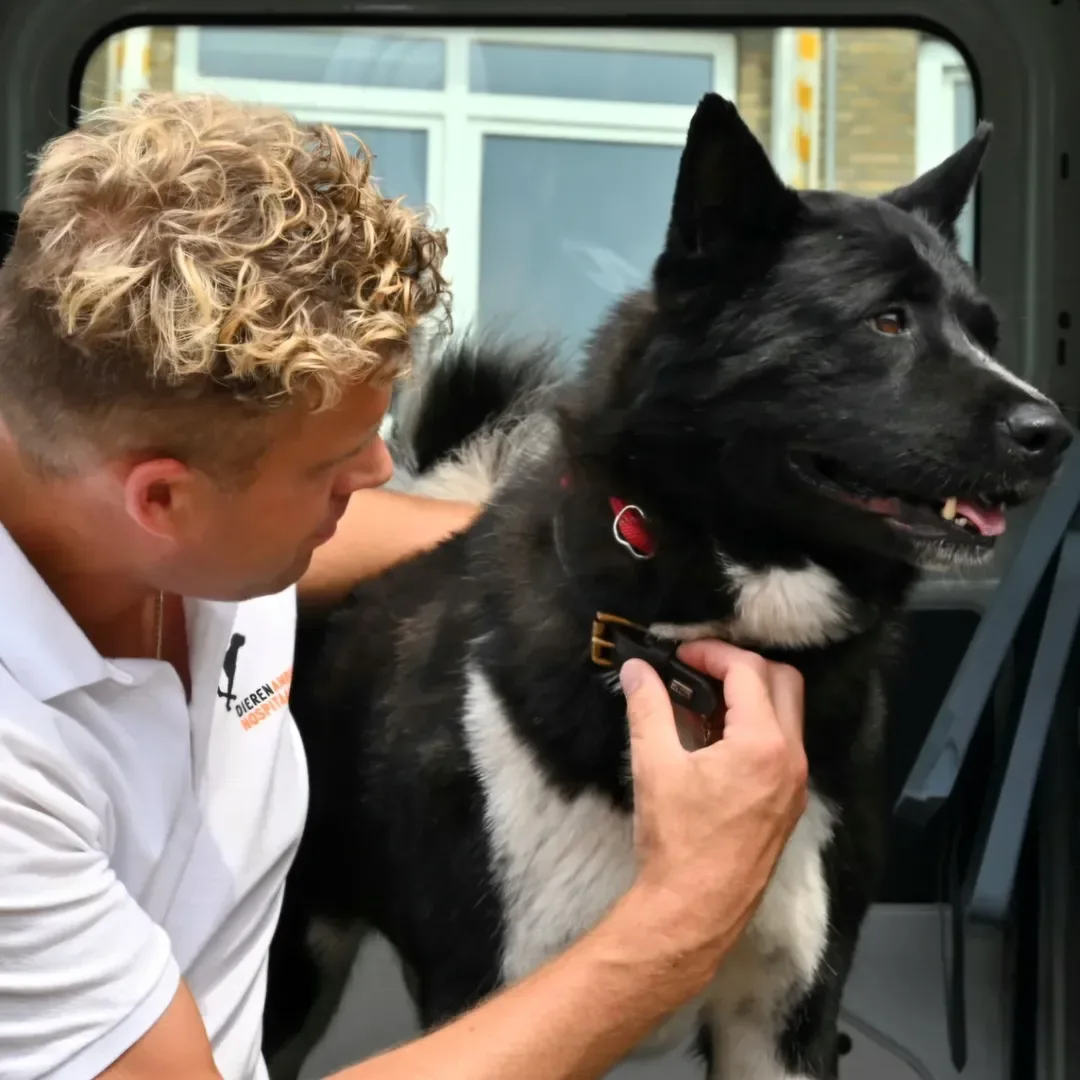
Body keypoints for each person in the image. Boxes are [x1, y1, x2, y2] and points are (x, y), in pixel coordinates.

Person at [0, 91, 808, 1080]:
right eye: (333, 464)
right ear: (164, 501)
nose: (380, 471)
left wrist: (627, 545)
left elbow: (399, 533)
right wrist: (689, 908)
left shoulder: (174, 526)